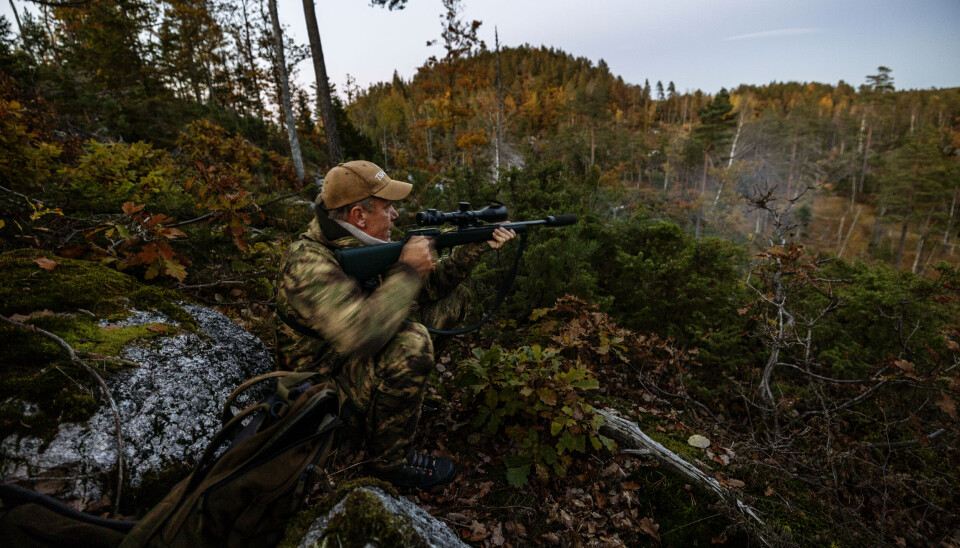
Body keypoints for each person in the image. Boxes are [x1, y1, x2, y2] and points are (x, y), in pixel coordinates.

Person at [274, 160, 515, 489]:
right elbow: (363, 335)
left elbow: (427, 290)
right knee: (412, 342)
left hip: (351, 367)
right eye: (388, 208)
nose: (396, 215)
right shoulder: (305, 262)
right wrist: (408, 270)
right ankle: (389, 464)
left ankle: (398, 404)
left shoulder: (360, 241)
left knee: (452, 301)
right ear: (359, 215)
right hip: (323, 399)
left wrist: (474, 246)